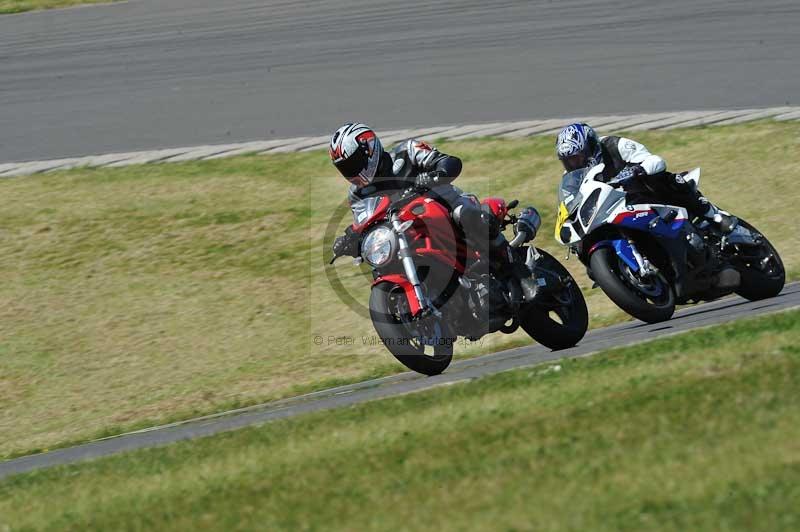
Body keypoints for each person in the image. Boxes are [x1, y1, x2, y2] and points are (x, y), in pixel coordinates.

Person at [328, 123, 538, 261]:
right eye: (345, 167)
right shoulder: (357, 195)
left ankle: (515, 266)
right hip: (408, 237)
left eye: (353, 163)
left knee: (464, 215)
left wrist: (434, 175)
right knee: (380, 259)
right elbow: (364, 224)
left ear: (370, 149)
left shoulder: (406, 152)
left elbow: (448, 162)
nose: (352, 171)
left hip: (446, 209)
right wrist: (350, 238)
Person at [554, 123, 736, 232]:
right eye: (568, 161)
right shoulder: (570, 179)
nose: (573, 165)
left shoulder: (614, 145)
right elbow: (569, 205)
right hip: (617, 210)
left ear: (591, 147)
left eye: (576, 158)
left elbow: (655, 161)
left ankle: (714, 215)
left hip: (646, 194)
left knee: (661, 178)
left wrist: (638, 170)